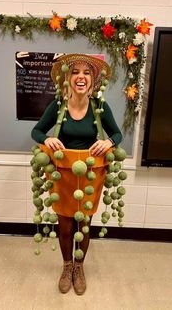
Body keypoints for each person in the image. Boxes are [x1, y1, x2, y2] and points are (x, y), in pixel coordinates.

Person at [31, 53, 122, 295]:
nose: (80, 77)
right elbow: (37, 131)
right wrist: (48, 139)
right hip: (62, 176)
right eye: (75, 72)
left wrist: (109, 142)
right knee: (65, 227)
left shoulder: (100, 108)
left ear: (93, 80)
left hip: (91, 177)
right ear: (67, 78)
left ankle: (79, 267)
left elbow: (118, 134)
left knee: (84, 224)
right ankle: (66, 265)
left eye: (86, 73)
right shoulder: (58, 105)